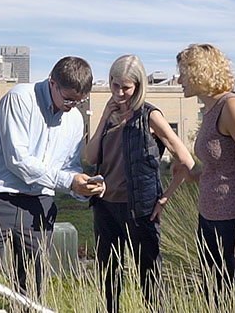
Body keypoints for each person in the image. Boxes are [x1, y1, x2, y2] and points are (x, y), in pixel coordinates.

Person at [0, 56, 105, 313]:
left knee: (34, 288)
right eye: (68, 99)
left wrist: (83, 187)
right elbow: (19, 161)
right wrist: (69, 180)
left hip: (39, 205)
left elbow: (68, 169)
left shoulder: (75, 120)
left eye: (80, 101)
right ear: (52, 83)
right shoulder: (20, 99)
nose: (72, 106)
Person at [83, 54, 196, 313]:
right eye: (114, 85)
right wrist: (103, 119)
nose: (120, 92)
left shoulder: (149, 115)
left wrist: (165, 198)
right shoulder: (109, 115)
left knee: (150, 281)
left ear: (138, 85)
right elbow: (90, 157)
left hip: (140, 209)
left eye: (126, 87)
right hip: (105, 207)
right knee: (108, 278)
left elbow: (185, 159)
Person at [176, 44, 235, 312]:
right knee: (217, 300)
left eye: (183, 73)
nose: (179, 80)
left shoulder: (232, 108)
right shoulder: (209, 111)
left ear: (199, 72)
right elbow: (220, 167)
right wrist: (191, 176)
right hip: (209, 221)